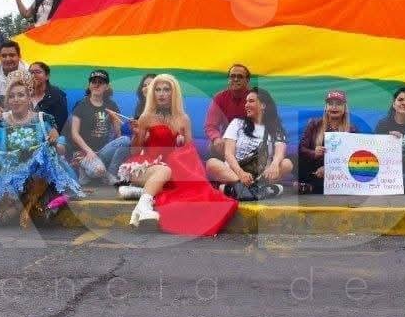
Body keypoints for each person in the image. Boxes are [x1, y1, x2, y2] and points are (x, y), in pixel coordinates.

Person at [117, 74, 237, 234]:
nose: (161, 93)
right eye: (158, 90)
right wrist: (138, 134)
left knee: (194, 190)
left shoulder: (183, 119)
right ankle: (142, 206)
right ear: (153, 93)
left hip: (172, 168)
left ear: (173, 94)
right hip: (144, 167)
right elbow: (135, 152)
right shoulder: (146, 117)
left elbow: (190, 153)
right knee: (164, 171)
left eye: (166, 90)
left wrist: (181, 147)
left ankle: (140, 194)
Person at [0, 76, 83, 228]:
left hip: (36, 180)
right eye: (11, 96)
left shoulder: (43, 120)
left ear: (29, 98)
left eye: (20, 95)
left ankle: (16, 210)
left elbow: (60, 149)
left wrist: (55, 142)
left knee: (40, 166)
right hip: (6, 174)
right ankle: (3, 210)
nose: (16, 99)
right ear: (7, 101)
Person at [206, 88, 292, 198]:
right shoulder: (237, 123)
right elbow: (228, 154)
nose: (246, 105)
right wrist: (240, 173)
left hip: (261, 175)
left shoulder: (275, 128)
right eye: (246, 101)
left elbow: (280, 151)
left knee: (287, 163)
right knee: (211, 163)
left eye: (251, 101)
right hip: (235, 172)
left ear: (263, 105)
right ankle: (256, 189)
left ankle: (233, 190)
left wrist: (274, 164)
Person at [66, 69, 126, 183]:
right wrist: (88, 151)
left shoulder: (111, 105)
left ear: (107, 86)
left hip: (102, 151)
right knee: (98, 171)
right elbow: (74, 133)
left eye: (101, 82)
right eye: (94, 82)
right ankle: (91, 168)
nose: (97, 85)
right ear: (89, 85)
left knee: (125, 141)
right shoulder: (81, 105)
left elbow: (118, 134)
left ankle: (110, 173)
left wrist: (115, 119)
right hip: (84, 151)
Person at [297, 90, 352, 194]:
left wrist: (329, 168)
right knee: (295, 161)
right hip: (313, 169)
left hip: (338, 172)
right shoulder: (314, 124)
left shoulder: (352, 130)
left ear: (344, 108)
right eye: (330, 104)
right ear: (326, 107)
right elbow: (301, 149)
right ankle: (310, 186)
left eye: (338, 104)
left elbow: (354, 158)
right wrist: (314, 153)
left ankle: (310, 187)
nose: (334, 107)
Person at [374, 87, 405, 195]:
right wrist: (387, 139)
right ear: (394, 103)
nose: (404, 103)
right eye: (400, 100)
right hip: (388, 172)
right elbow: (375, 153)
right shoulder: (383, 125)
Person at [203, 64, 252, 159]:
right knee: (213, 146)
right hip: (228, 142)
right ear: (228, 79)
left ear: (247, 80)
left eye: (240, 76)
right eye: (232, 76)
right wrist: (216, 138)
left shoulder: (255, 98)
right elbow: (210, 126)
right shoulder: (220, 98)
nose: (236, 79)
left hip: (251, 141)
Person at [28, 61, 69, 133]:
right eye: (31, 72)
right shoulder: (24, 94)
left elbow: (62, 122)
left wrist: (55, 131)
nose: (33, 75)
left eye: (38, 72)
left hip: (50, 136)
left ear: (47, 76)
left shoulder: (57, 95)